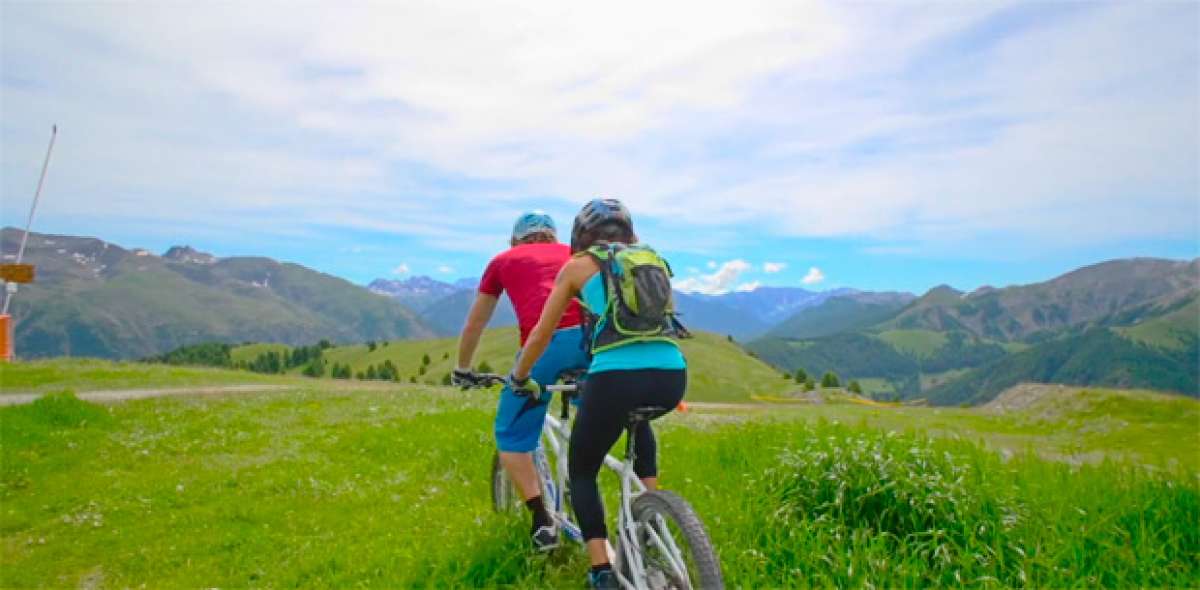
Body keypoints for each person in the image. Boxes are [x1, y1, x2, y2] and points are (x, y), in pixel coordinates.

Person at [508, 198, 687, 589]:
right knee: (637, 421)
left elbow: (541, 333)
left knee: (583, 469)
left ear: (581, 235)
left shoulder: (577, 267)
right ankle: (651, 510)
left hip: (615, 380)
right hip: (673, 375)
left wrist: (520, 375)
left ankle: (600, 571)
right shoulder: (651, 259)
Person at [452, 211, 589, 552]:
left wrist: (463, 368)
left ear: (515, 241)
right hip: (594, 344)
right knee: (591, 420)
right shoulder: (576, 253)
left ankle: (542, 520)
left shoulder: (503, 260)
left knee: (511, 436)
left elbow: (474, 324)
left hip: (545, 347)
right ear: (554, 237)